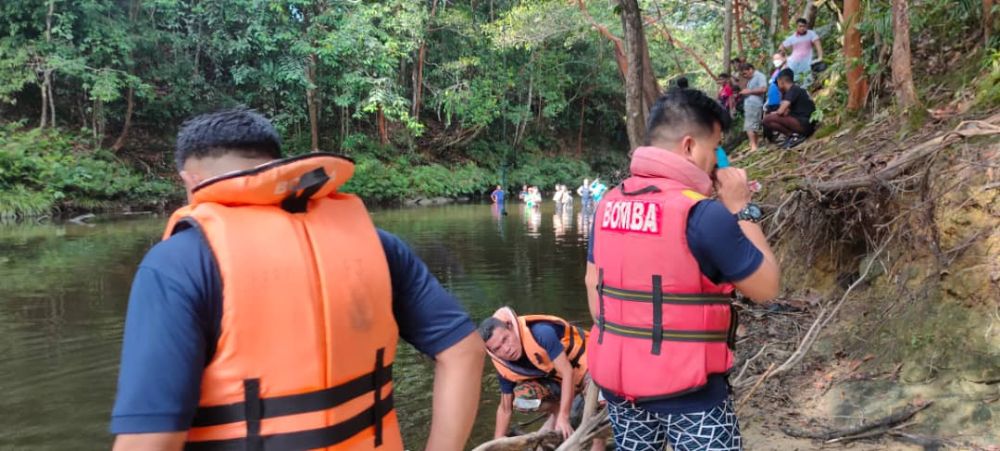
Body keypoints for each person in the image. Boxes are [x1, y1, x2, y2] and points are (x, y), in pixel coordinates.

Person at [109, 109, 485, 451]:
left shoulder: (178, 262)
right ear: (276, 166)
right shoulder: (377, 245)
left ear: (190, 181)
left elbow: (149, 439)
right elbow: (464, 351)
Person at [584, 89, 780, 451]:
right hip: (692, 395)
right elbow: (767, 287)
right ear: (689, 146)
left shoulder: (607, 204)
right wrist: (742, 209)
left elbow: (595, 294)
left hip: (621, 391)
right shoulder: (703, 215)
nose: (718, 161)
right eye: (716, 148)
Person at [479, 307, 605, 451]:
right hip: (559, 382)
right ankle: (556, 410)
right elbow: (505, 408)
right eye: (497, 348)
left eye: (505, 339)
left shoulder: (541, 333)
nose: (506, 349)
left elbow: (567, 372)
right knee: (522, 400)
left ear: (510, 327)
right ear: (492, 351)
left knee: (600, 400)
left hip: (587, 369)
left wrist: (564, 418)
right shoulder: (503, 366)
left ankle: (597, 444)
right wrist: (498, 440)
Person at [763, 68, 817, 149]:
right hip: (803, 123)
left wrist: (774, 113)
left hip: (805, 124)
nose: (777, 86)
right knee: (769, 122)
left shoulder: (793, 90)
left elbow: (781, 112)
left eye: (777, 83)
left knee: (767, 119)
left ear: (781, 81)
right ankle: (793, 136)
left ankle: (795, 135)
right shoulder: (793, 91)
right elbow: (785, 113)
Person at [781, 18, 824, 86]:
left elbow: (818, 44)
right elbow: (781, 47)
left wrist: (820, 57)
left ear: (806, 26)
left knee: (808, 82)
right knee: (794, 82)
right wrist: (784, 57)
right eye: (800, 26)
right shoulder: (793, 37)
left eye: (804, 26)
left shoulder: (811, 34)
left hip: (806, 62)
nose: (802, 28)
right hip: (793, 63)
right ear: (797, 27)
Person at [739, 62, 769, 152]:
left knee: (750, 126)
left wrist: (749, 91)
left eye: (745, 73)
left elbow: (763, 89)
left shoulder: (759, 76)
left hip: (754, 104)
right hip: (751, 104)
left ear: (750, 69)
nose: (744, 75)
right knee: (753, 125)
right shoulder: (751, 79)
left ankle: (753, 146)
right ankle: (754, 145)